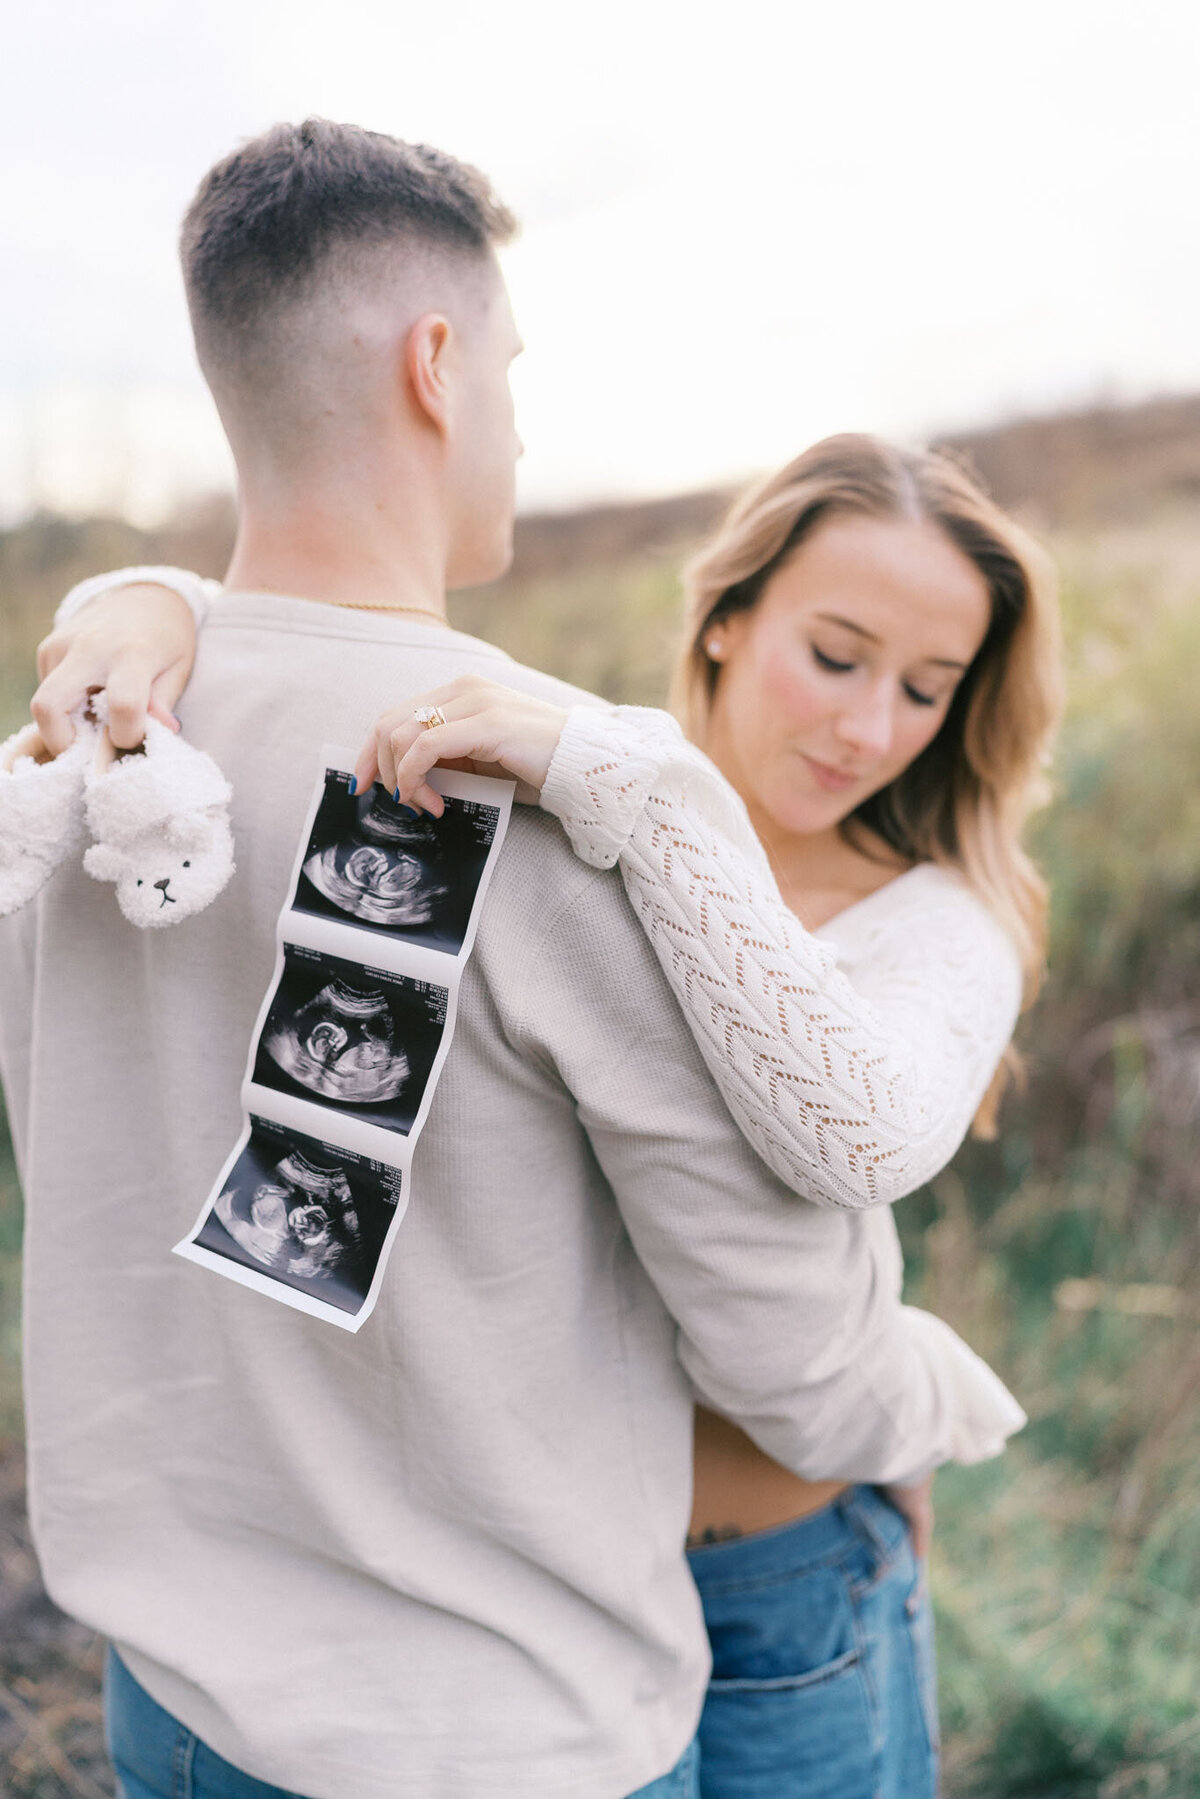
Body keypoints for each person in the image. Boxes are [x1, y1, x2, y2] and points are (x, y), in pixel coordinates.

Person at [0, 121, 1008, 1799]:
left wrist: (153, 593)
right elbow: (787, 1351)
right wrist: (940, 1408)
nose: (524, 429)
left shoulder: (73, 758)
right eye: (515, 372)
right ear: (436, 365)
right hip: (489, 1727)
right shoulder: (535, 796)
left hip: (169, 1706)